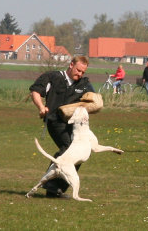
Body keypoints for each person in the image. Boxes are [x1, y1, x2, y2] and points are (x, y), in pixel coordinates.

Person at [29, 56, 95, 198]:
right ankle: (52, 184)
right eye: (78, 70)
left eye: (83, 72)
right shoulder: (52, 77)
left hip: (75, 124)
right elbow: (35, 92)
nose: (80, 74)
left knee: (80, 153)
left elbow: (93, 98)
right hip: (55, 120)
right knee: (69, 147)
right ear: (71, 65)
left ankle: (56, 189)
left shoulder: (84, 83)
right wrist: (41, 107)